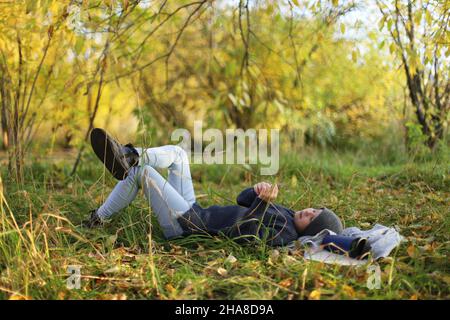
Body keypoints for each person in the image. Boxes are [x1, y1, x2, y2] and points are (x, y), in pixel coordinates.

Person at [83, 128, 347, 248]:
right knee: (178, 153)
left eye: (313, 218)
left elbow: (250, 236)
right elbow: (241, 201)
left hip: (187, 226)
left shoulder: (286, 234)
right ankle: (130, 155)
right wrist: (256, 191)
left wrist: (262, 204)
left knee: (143, 173)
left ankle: (101, 215)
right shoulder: (287, 213)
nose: (308, 212)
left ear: (311, 230)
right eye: (313, 209)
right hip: (196, 211)